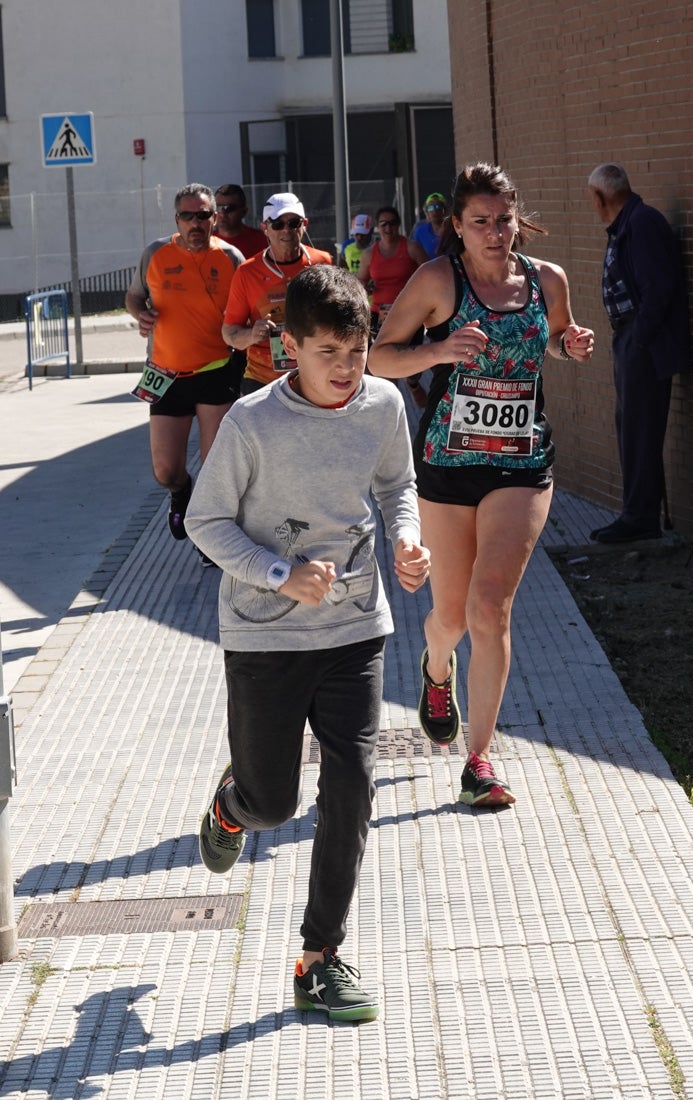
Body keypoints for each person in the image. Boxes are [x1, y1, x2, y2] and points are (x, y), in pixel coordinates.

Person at [185, 264, 430, 1022]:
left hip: (356, 628)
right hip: (263, 637)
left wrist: (406, 537)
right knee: (273, 803)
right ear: (287, 345)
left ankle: (318, 958)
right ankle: (233, 805)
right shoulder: (252, 423)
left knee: (351, 788)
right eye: (327, 352)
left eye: (355, 352)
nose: (345, 370)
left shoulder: (383, 402)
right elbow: (205, 521)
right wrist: (277, 572)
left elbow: (395, 483)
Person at [369, 162, 594, 808]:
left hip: (521, 462)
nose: (496, 234)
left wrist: (568, 344)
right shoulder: (438, 281)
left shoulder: (546, 278)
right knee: (449, 617)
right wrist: (437, 352)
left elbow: (551, 340)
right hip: (446, 462)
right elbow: (380, 356)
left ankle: (479, 760)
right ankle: (436, 669)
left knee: (488, 606)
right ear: (457, 228)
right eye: (480, 223)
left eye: (504, 221)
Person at [125, 183, 243, 563]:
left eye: (204, 215)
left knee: (214, 468)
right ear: (177, 219)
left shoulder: (231, 257)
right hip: (165, 373)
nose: (197, 223)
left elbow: (245, 310)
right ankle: (181, 495)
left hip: (216, 371)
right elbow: (134, 295)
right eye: (188, 216)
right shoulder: (155, 253)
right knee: (165, 470)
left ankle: (208, 538)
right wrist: (139, 313)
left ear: (215, 218)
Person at [587, 163, 692, 543]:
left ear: (599, 198)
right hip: (631, 340)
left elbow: (658, 289)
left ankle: (640, 518)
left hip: (643, 343)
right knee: (632, 428)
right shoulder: (628, 224)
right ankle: (639, 513)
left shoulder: (642, 223)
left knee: (640, 429)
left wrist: (640, 339)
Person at [222, 192, 332, 396]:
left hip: (313, 376)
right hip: (262, 380)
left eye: (294, 223)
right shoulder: (247, 272)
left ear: (304, 224)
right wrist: (251, 335)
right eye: (278, 224)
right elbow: (229, 333)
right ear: (265, 228)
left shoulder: (322, 262)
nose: (287, 230)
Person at [357, 205, 430, 407]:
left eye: (392, 223)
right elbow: (360, 281)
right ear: (378, 228)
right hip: (379, 314)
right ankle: (391, 405)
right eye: (383, 224)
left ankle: (413, 384)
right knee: (385, 365)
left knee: (413, 366)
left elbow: (431, 274)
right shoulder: (370, 254)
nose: (388, 228)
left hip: (409, 314)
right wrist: (365, 290)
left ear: (398, 225)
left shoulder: (411, 248)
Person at [214, 184, 267, 259]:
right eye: (218, 207)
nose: (222, 214)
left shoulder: (262, 241)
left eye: (229, 208)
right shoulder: (205, 242)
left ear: (244, 211)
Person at [411, 191, 449, 259]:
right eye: (430, 208)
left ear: (445, 210)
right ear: (426, 212)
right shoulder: (420, 231)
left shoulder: (454, 229)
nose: (434, 211)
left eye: (438, 207)